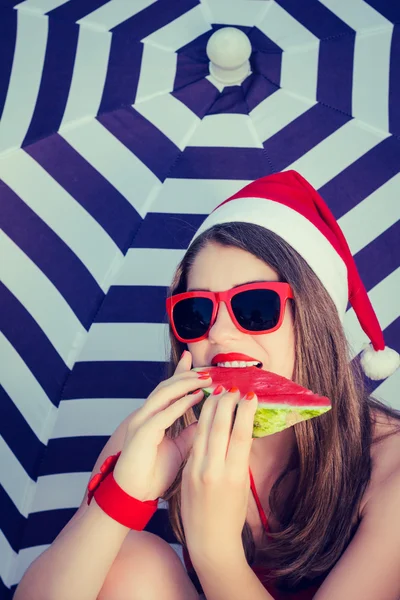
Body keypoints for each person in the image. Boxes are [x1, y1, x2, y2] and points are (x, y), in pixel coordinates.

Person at [15, 171, 400, 600]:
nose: (217, 332)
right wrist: (120, 498)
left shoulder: (391, 468)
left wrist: (215, 552)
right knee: (129, 562)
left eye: (254, 307)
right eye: (196, 312)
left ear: (316, 320)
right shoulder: (158, 432)